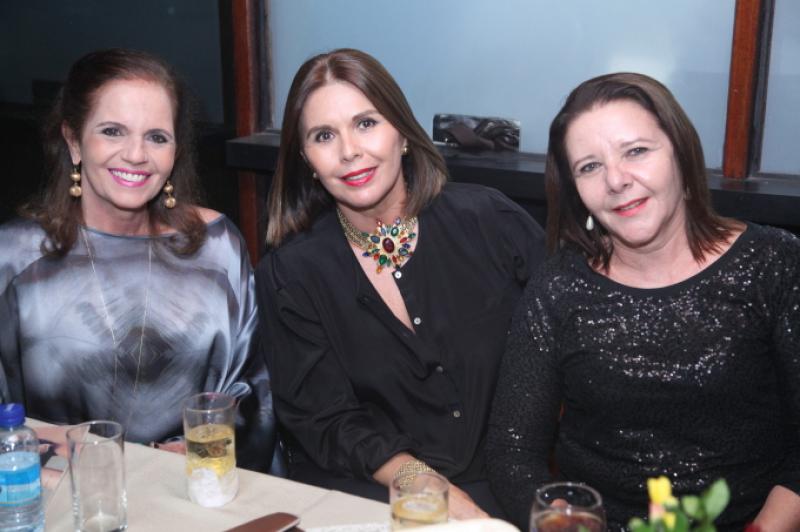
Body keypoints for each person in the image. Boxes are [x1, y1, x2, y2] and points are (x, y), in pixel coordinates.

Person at [486, 72, 800, 531]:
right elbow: (512, 450)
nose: (616, 180)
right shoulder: (558, 286)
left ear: (680, 152)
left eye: (636, 151)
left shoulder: (773, 264)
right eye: (589, 167)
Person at [255, 48, 545, 519]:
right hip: (372, 492)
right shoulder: (290, 274)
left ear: (403, 133)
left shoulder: (490, 221)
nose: (349, 151)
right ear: (306, 158)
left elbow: (570, 338)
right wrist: (425, 486)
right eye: (324, 135)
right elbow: (325, 420)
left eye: (366, 123)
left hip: (508, 481)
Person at [0, 49, 276, 472]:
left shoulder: (216, 247)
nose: (135, 154)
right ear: (73, 141)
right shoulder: (15, 257)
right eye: (113, 131)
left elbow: (254, 393)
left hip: (195, 487)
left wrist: (193, 454)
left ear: (175, 151)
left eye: (157, 137)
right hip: (64, 493)